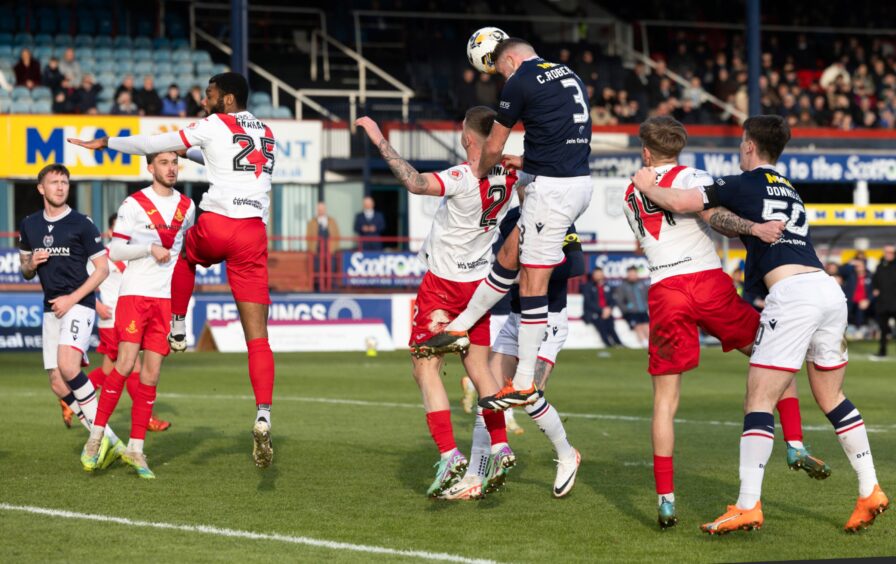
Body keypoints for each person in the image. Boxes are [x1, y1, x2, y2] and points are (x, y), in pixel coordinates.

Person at [633, 114, 888, 534]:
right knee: (833, 397)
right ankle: (869, 489)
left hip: (791, 297)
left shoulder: (743, 183)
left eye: (740, 144)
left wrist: (646, 185)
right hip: (827, 291)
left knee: (757, 399)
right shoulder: (789, 187)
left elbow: (681, 203)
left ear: (749, 145)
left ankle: (748, 505)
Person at [68, 72, 278, 469]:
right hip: (253, 232)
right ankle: (264, 413)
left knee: (183, 255)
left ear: (228, 100)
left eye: (210, 95)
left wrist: (107, 142)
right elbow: (223, 161)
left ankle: (178, 324)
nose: (204, 100)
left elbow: (151, 143)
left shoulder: (214, 124)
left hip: (219, 224)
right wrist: (187, 154)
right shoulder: (266, 131)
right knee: (259, 340)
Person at [420, 38, 594, 412]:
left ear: (511, 58)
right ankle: (459, 326)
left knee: (533, 281)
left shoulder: (520, 80)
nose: (502, 77)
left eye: (500, 69)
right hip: (573, 180)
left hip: (554, 191)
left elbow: (493, 146)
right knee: (509, 253)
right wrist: (528, 162)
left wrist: (479, 175)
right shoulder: (567, 73)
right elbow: (559, 137)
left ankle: (525, 380)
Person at [355, 108, 517, 498]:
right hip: (479, 286)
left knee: (424, 366)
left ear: (467, 139)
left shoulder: (461, 177)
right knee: (478, 368)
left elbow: (413, 182)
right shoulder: (511, 175)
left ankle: (448, 453)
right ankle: (500, 444)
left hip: (443, 287)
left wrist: (378, 137)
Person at [444, 203, 585, 500]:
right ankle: (475, 475)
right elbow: (501, 262)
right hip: (515, 321)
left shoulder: (560, 216)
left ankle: (567, 454)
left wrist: (533, 272)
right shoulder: (512, 218)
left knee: (528, 395)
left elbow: (577, 266)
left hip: (549, 322)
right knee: (489, 395)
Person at [80, 152, 195, 478]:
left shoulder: (188, 207)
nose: (170, 167)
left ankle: (136, 449)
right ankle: (96, 435)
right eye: (163, 162)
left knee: (152, 375)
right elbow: (115, 251)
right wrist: (147, 249)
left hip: (166, 300)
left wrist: (181, 313)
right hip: (135, 295)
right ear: (150, 167)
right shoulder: (134, 204)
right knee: (125, 364)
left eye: (174, 161)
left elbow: (186, 254)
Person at [18, 163, 124, 468]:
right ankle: (109, 441)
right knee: (57, 383)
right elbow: (25, 270)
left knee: (68, 365)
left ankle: (97, 436)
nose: (61, 187)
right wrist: (31, 264)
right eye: (54, 182)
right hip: (51, 308)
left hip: (79, 302)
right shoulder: (29, 225)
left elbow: (102, 270)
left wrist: (72, 299)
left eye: (64, 182)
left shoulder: (82, 223)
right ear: (41, 188)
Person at [84, 213, 172, 433]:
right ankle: (147, 419)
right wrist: (97, 306)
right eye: (119, 230)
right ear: (111, 232)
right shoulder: (101, 255)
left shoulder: (136, 255)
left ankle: (71, 399)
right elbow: (82, 283)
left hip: (131, 315)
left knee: (109, 370)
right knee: (133, 366)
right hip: (112, 319)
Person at [581, 267, 622, 348]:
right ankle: (609, 345)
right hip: (593, 313)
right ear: (593, 276)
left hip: (606, 313)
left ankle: (619, 344)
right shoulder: (588, 287)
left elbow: (612, 300)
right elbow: (589, 303)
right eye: (597, 274)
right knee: (601, 325)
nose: (599, 276)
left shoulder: (608, 287)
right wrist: (601, 310)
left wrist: (609, 309)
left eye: (600, 274)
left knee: (611, 326)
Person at [613, 266, 650, 346]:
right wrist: (626, 309)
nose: (632, 275)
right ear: (627, 274)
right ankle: (644, 343)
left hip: (642, 310)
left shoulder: (642, 284)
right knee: (638, 326)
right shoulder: (623, 286)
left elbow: (648, 296)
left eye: (634, 273)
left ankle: (651, 343)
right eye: (630, 273)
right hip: (631, 312)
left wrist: (647, 306)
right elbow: (619, 300)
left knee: (647, 326)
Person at [872, 245, 896, 357]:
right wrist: (875, 289)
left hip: (894, 302)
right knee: (883, 330)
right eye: (886, 252)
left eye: (890, 252)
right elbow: (875, 281)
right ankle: (882, 351)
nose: (888, 254)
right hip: (883, 303)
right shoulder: (880, 266)